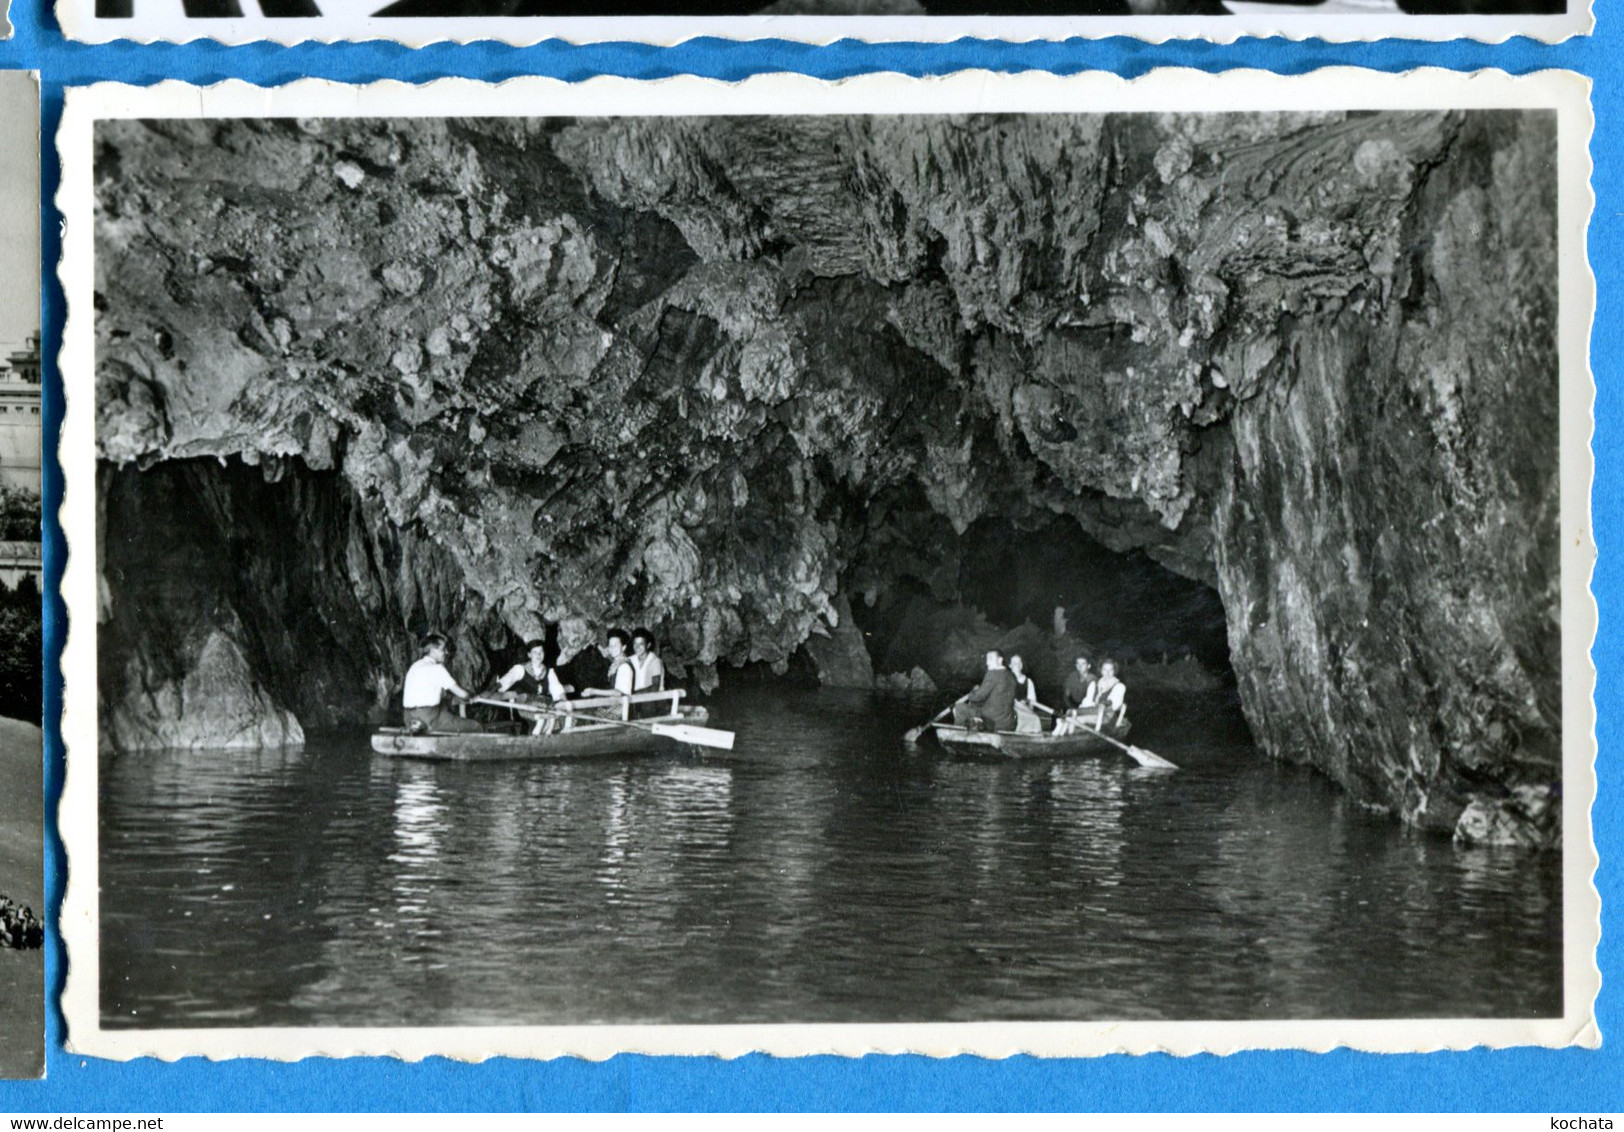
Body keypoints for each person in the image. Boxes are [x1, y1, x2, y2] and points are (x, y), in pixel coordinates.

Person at [402, 632, 482, 734]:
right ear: (433, 650)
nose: (446, 652)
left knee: (445, 712)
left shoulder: (415, 666)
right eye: (443, 649)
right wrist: (473, 697)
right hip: (428, 717)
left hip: (408, 717)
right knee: (476, 726)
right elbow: (464, 695)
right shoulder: (437, 668)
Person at [951, 649, 1018, 733]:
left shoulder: (993, 673)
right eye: (987, 659)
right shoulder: (1012, 676)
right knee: (977, 709)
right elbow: (998, 697)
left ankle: (959, 737)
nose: (987, 663)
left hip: (992, 722)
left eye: (990, 659)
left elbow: (978, 697)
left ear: (1000, 660)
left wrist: (971, 693)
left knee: (959, 707)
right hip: (1008, 723)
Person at [582, 628, 637, 701]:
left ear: (623, 647)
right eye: (610, 645)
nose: (612, 648)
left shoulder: (624, 666)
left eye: (615, 645)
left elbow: (619, 693)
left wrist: (593, 691)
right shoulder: (616, 664)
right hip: (612, 704)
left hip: (619, 709)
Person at [1007, 653, 1044, 734]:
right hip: (1010, 707)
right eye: (1015, 663)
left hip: (1022, 708)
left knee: (1035, 718)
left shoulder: (1028, 681)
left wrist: (1030, 711)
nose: (1018, 665)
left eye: (1020, 662)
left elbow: (1032, 700)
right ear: (1010, 665)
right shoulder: (1006, 679)